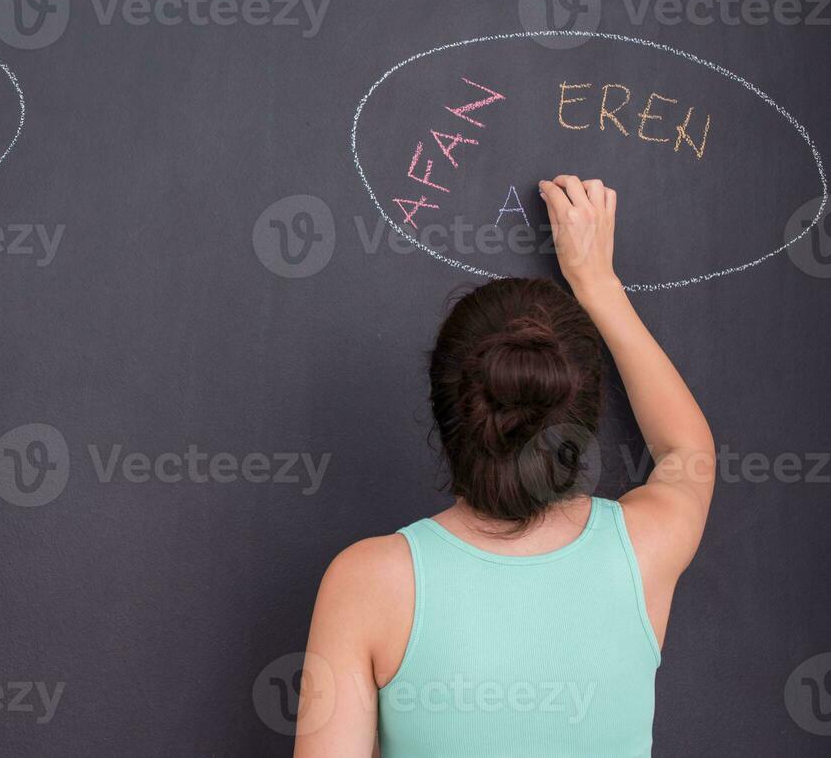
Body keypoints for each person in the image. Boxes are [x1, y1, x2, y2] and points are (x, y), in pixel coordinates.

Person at [294, 175, 715, 757]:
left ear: (445, 411)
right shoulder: (642, 549)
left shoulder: (368, 585)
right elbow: (686, 453)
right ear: (584, 421)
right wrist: (598, 283)